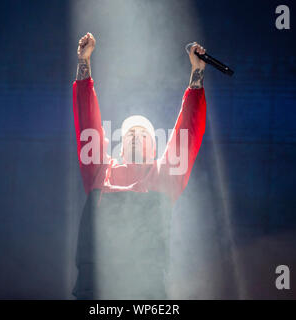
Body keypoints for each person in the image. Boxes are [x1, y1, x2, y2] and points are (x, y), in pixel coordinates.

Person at [72, 32, 207, 299]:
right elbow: (88, 121)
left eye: (143, 134)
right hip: (95, 287)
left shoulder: (163, 176)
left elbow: (188, 130)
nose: (134, 135)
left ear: (154, 149)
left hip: (145, 289)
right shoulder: (101, 171)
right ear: (120, 148)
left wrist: (197, 75)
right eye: (129, 133)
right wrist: (84, 63)